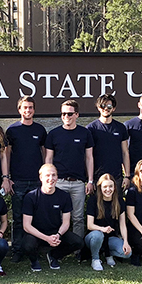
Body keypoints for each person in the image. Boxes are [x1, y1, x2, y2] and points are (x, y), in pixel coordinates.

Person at [45, 99, 95, 239]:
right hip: (58, 181)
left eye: (69, 114)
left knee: (78, 217)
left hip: (78, 182)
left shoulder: (85, 133)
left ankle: (77, 248)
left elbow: (89, 158)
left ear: (77, 115)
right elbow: (48, 159)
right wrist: (48, 179)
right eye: (63, 114)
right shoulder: (53, 134)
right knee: (57, 217)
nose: (66, 117)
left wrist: (90, 180)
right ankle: (57, 245)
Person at [5, 96, 47, 263]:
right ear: (19, 110)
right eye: (25, 108)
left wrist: (45, 178)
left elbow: (45, 154)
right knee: (18, 218)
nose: (28, 110)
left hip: (37, 182)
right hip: (18, 181)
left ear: (34, 110)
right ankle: (17, 250)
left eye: (30, 108)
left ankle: (36, 249)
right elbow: (6, 155)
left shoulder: (40, 130)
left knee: (37, 218)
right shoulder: (12, 130)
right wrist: (6, 177)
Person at [22, 163, 84, 271]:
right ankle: (34, 261)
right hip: (36, 233)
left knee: (78, 242)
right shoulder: (31, 197)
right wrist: (46, 238)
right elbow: (26, 226)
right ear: (41, 178)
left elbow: (66, 223)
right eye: (47, 175)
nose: (51, 178)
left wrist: (58, 235)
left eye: (54, 175)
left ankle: (54, 255)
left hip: (55, 232)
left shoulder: (64, 196)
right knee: (28, 245)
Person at [85, 173, 131, 271]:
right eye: (105, 186)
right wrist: (103, 229)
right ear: (100, 188)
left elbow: (123, 225)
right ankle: (95, 259)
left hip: (110, 239)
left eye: (110, 186)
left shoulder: (119, 201)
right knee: (98, 235)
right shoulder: (93, 201)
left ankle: (107, 253)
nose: (108, 189)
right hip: (94, 237)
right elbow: (90, 225)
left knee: (127, 253)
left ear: (114, 187)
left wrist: (126, 242)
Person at [87, 93, 131, 188]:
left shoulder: (120, 128)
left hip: (117, 176)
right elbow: (88, 156)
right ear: (98, 108)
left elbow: (125, 152)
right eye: (103, 106)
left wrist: (127, 176)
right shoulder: (90, 129)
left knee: (117, 202)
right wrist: (90, 180)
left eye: (109, 106)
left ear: (114, 108)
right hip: (97, 178)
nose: (106, 108)